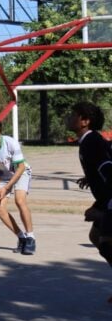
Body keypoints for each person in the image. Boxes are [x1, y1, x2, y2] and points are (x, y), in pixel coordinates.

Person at [65, 101, 112, 302]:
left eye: (73, 114)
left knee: (106, 243)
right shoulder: (89, 140)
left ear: (85, 121)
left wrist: (104, 211)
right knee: (95, 236)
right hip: (105, 198)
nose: (68, 117)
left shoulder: (91, 141)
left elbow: (109, 169)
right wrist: (90, 177)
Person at [0, 116, 36, 254]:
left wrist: (7, 187)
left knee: (20, 201)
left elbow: (20, 167)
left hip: (20, 172)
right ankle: (21, 237)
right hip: (3, 175)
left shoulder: (10, 143)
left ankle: (31, 237)